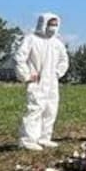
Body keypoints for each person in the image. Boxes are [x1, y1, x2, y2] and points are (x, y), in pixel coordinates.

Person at [15, 12, 69, 151]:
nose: (53, 27)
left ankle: (44, 137)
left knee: (51, 109)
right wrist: (26, 75)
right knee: (35, 109)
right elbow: (20, 58)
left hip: (52, 82)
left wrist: (57, 73)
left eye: (56, 25)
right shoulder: (31, 39)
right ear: (43, 24)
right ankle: (27, 139)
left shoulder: (57, 43)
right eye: (51, 24)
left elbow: (64, 60)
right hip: (37, 81)